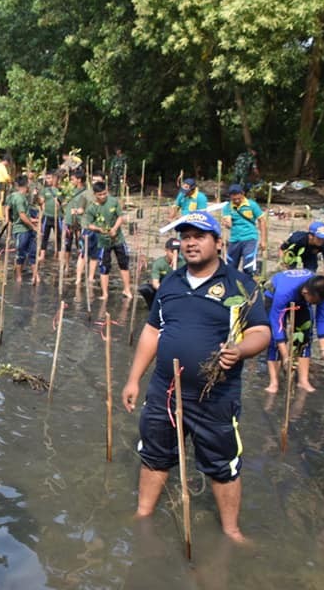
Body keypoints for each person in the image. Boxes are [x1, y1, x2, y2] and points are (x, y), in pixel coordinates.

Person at [121, 211, 270, 542]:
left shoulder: (239, 285)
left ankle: (231, 530)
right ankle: (144, 515)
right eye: (185, 236)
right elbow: (151, 332)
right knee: (154, 456)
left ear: (218, 243)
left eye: (199, 236)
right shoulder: (171, 282)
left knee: (222, 465)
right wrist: (133, 379)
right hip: (164, 392)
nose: (190, 242)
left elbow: (261, 331)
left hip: (215, 395)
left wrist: (242, 350)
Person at [264, 269, 324, 393]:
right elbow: (276, 322)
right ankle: (274, 383)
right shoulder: (284, 291)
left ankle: (303, 381)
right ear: (305, 292)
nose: (315, 305)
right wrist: (286, 356)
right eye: (314, 302)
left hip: (302, 299)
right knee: (274, 339)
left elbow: (322, 319)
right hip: (274, 295)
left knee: (304, 335)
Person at [84, 180, 132, 299]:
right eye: (100, 195)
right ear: (95, 194)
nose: (103, 196)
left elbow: (120, 217)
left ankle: (127, 289)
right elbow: (88, 224)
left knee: (124, 263)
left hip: (118, 239)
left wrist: (115, 229)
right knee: (104, 267)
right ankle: (105, 293)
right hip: (103, 241)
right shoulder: (91, 208)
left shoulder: (113, 201)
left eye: (105, 193)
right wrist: (99, 229)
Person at [222, 184, 266, 276]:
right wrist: (227, 223)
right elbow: (228, 223)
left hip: (250, 238)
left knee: (248, 267)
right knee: (230, 268)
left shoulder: (252, 204)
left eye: (239, 198)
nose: (237, 201)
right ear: (230, 196)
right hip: (234, 239)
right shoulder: (227, 207)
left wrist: (263, 240)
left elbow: (262, 220)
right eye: (234, 199)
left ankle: (249, 287)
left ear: (243, 194)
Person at [7, 175, 40, 283]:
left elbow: (22, 214)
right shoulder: (19, 198)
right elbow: (22, 216)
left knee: (32, 253)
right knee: (21, 254)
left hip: (26, 228)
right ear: (26, 185)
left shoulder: (15, 196)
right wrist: (33, 226)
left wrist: (32, 220)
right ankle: (19, 277)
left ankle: (36, 276)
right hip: (21, 230)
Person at [137, 238, 180, 309]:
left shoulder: (183, 263)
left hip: (177, 290)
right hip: (162, 289)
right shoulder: (159, 263)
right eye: (172, 251)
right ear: (166, 250)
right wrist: (166, 292)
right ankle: (152, 307)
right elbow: (155, 283)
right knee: (144, 288)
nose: (175, 255)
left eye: (178, 252)